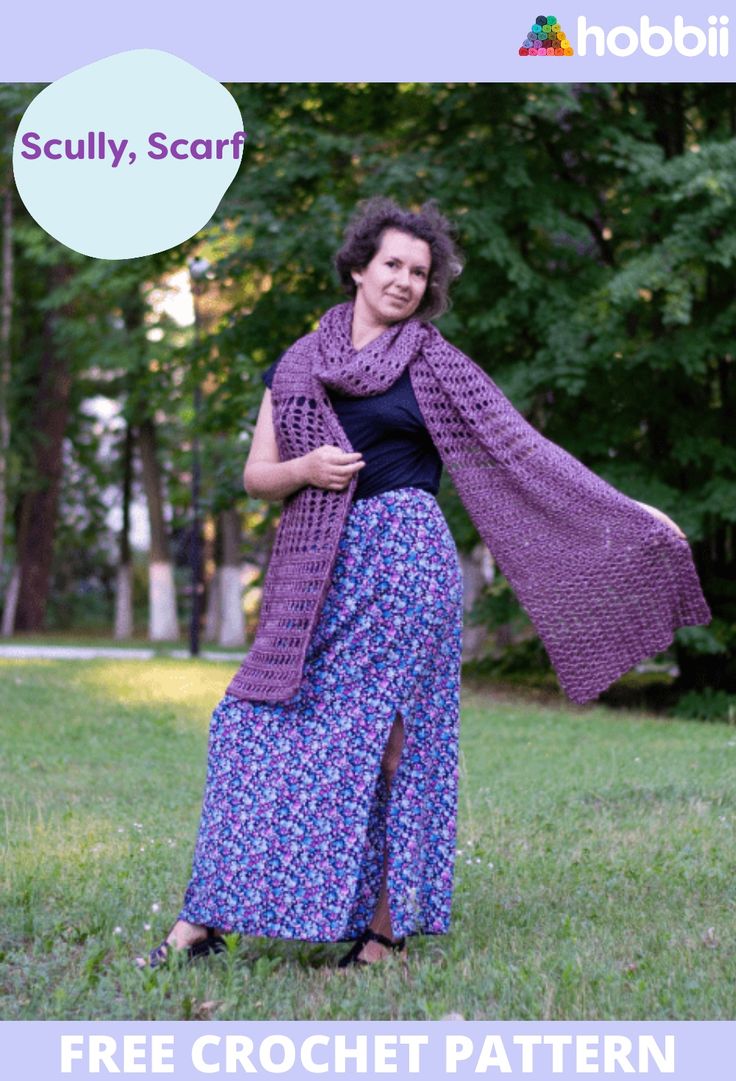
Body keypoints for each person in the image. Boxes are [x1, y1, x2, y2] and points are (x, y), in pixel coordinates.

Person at [138, 196, 708, 970]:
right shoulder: (299, 363)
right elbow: (255, 476)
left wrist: (629, 511)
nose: (406, 281)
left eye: (420, 272)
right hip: (318, 575)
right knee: (247, 727)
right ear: (359, 267)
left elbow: (525, 451)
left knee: (395, 744)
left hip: (407, 565)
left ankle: (384, 932)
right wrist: (305, 469)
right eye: (394, 265)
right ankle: (203, 919)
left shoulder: (433, 362)